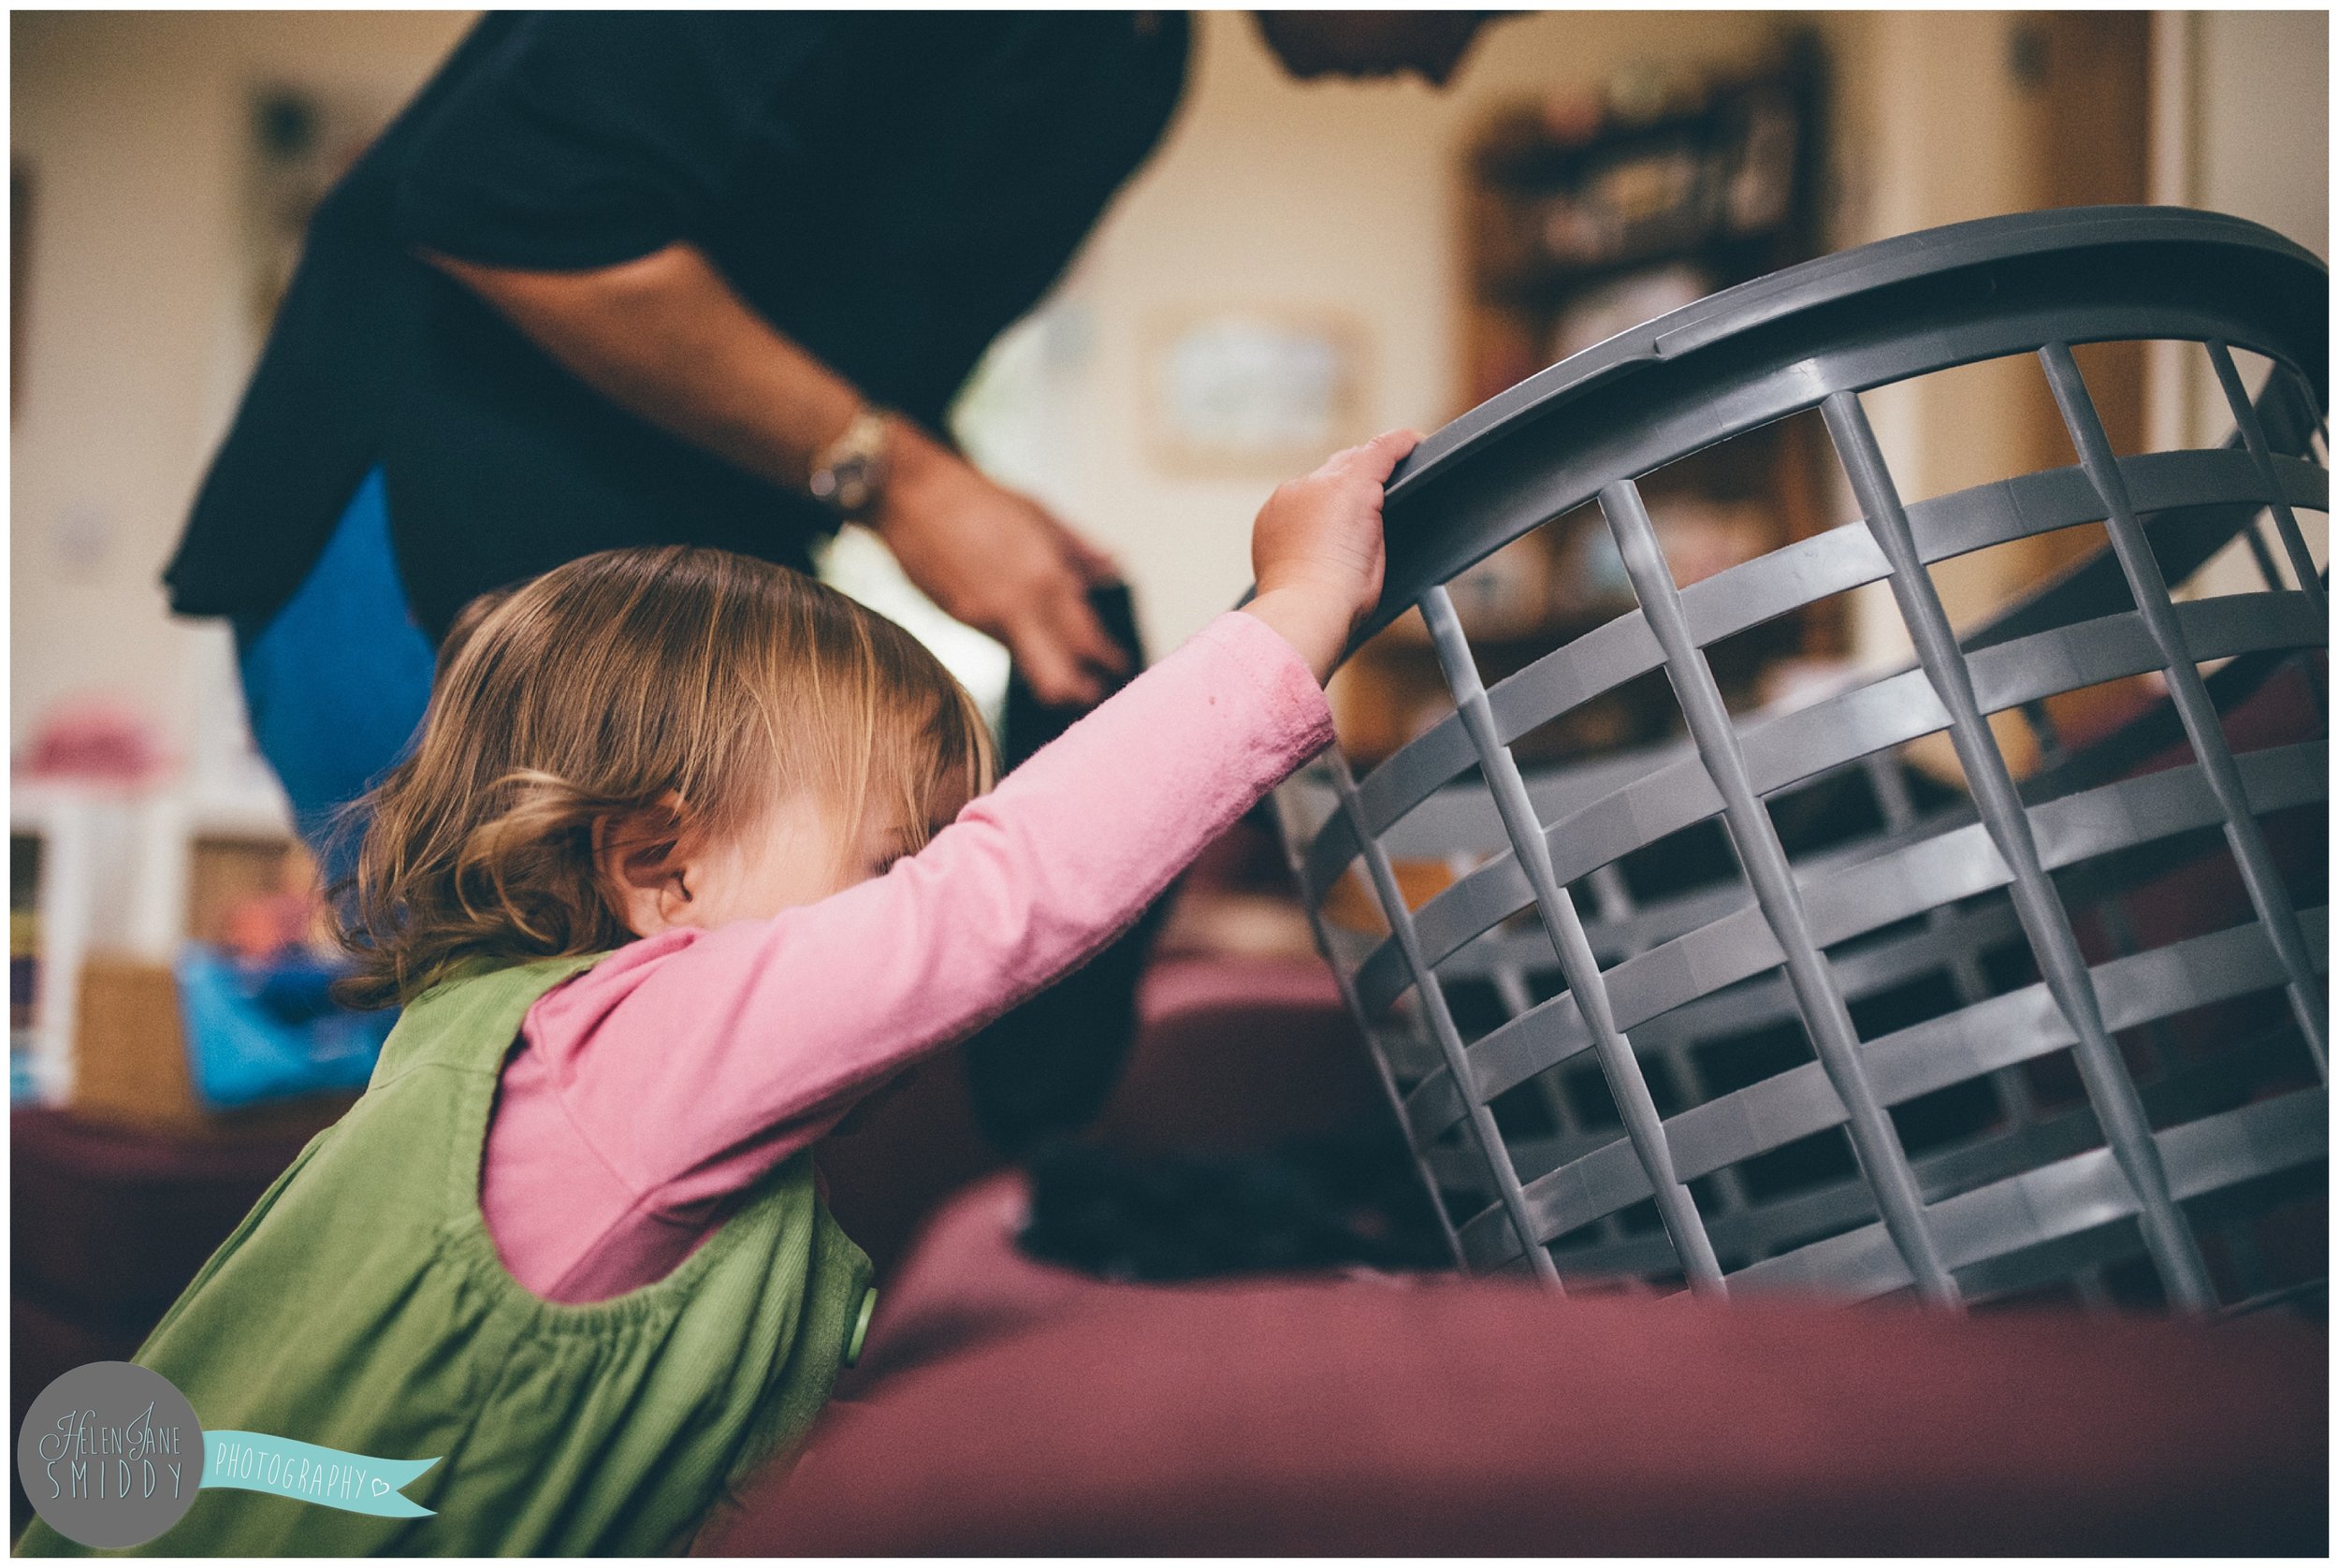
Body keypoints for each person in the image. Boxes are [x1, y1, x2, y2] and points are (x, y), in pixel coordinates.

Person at [17, 428, 1418, 1555]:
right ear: (660, 870)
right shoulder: (638, 1049)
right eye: (893, 861)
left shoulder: (549, 1063)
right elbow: (1005, 899)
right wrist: (1292, 615)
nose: (912, 903)